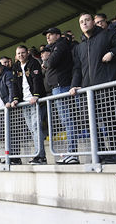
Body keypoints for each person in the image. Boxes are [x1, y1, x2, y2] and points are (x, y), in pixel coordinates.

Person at [70, 12, 116, 164]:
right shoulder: (79, 47)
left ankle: (113, 155)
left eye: (87, 20)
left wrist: (112, 52)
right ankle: (100, 153)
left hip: (106, 86)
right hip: (88, 90)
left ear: (93, 22)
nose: (84, 23)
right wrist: (74, 85)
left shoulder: (107, 35)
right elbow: (77, 69)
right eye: (81, 22)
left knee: (109, 121)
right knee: (90, 122)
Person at [41, 27, 79, 164]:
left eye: (50, 34)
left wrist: (46, 59)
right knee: (66, 121)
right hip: (57, 87)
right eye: (47, 35)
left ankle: (73, 153)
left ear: (58, 35)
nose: (48, 37)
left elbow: (50, 63)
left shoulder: (61, 45)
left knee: (68, 121)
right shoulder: (55, 47)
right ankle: (71, 152)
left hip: (62, 86)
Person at [11, 45, 46, 165]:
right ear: (16, 55)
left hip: (34, 101)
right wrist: (16, 99)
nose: (21, 55)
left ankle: (40, 156)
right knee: (32, 129)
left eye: (23, 53)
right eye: (18, 53)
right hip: (24, 102)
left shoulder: (33, 63)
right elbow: (15, 84)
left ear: (27, 53)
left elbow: (37, 80)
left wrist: (36, 95)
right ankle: (39, 154)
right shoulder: (15, 67)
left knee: (36, 127)